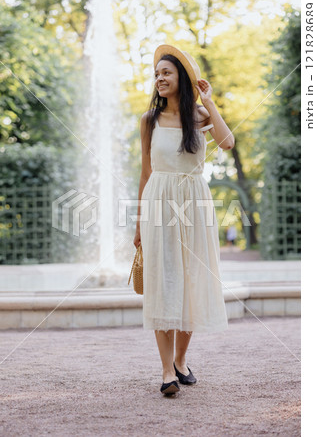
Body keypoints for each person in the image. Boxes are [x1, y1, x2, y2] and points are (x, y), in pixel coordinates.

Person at [133, 44, 235, 396]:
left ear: (182, 78)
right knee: (164, 284)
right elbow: (145, 175)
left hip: (194, 203)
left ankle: (181, 359)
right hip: (159, 203)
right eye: (156, 74)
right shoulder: (149, 120)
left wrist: (210, 102)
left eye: (166, 72)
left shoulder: (200, 117)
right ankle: (166, 373)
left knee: (191, 281)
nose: (159, 78)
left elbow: (228, 142)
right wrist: (137, 226)